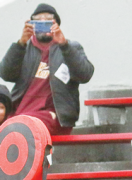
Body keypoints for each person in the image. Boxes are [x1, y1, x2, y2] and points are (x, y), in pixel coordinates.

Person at [0, 3, 94, 135]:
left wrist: (64, 45)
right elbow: (6, 74)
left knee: (24, 127)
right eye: (37, 21)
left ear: (56, 24)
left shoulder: (70, 47)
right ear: (31, 25)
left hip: (53, 116)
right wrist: (20, 44)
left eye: (48, 20)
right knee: (14, 127)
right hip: (19, 112)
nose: (43, 24)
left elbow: (85, 75)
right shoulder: (24, 48)